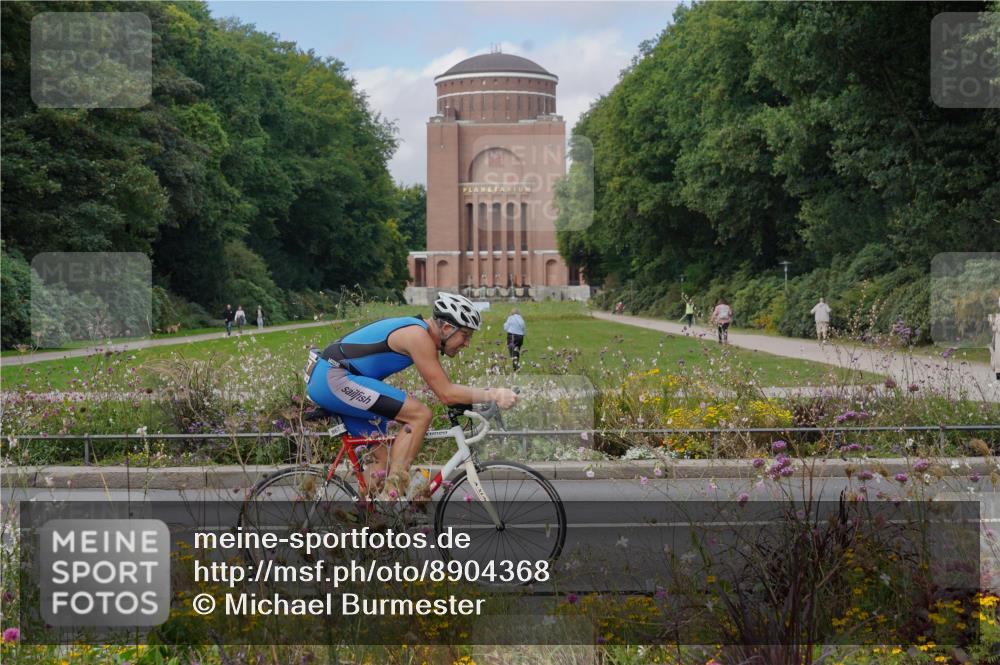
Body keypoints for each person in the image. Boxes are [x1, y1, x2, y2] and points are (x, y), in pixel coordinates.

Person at [305, 293, 518, 501]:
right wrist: (495, 394)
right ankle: (393, 495)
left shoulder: (419, 332)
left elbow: (448, 391)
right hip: (334, 377)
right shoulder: (418, 336)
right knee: (420, 415)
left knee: (384, 463)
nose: (467, 343)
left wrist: (478, 398)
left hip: (331, 379)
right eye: (466, 335)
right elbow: (446, 393)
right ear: (446, 328)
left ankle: (362, 521)